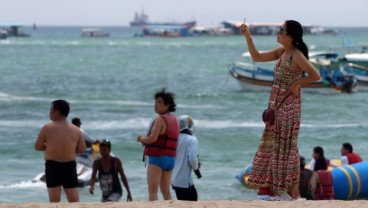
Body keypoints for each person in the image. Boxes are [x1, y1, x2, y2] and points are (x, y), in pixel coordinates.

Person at [240, 20, 321, 200]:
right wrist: (248, 36)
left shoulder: (297, 56)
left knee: (286, 147)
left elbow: (316, 75)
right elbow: (257, 57)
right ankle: (290, 193)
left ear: (290, 36)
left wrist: (296, 83)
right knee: (280, 147)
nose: (277, 32)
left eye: (280, 30)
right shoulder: (282, 52)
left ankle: (288, 193)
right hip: (276, 106)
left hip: (289, 107)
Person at [34, 100, 86, 202]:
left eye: (51, 110)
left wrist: (50, 147)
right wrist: (69, 148)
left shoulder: (47, 128)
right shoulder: (76, 129)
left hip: (53, 166)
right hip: (69, 166)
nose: (49, 112)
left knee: (54, 202)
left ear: (56, 111)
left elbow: (38, 146)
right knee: (74, 202)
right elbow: (82, 149)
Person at [137, 88, 180, 201]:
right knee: (166, 192)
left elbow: (152, 139)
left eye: (159, 102)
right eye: (155, 101)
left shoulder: (160, 119)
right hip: (170, 159)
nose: (155, 104)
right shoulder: (175, 119)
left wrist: (142, 139)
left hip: (158, 159)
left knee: (152, 192)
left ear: (167, 105)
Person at [172, 115, 200, 201]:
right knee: (193, 200)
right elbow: (192, 158)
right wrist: (197, 167)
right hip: (185, 182)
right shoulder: (192, 140)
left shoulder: (174, 139)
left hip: (174, 180)